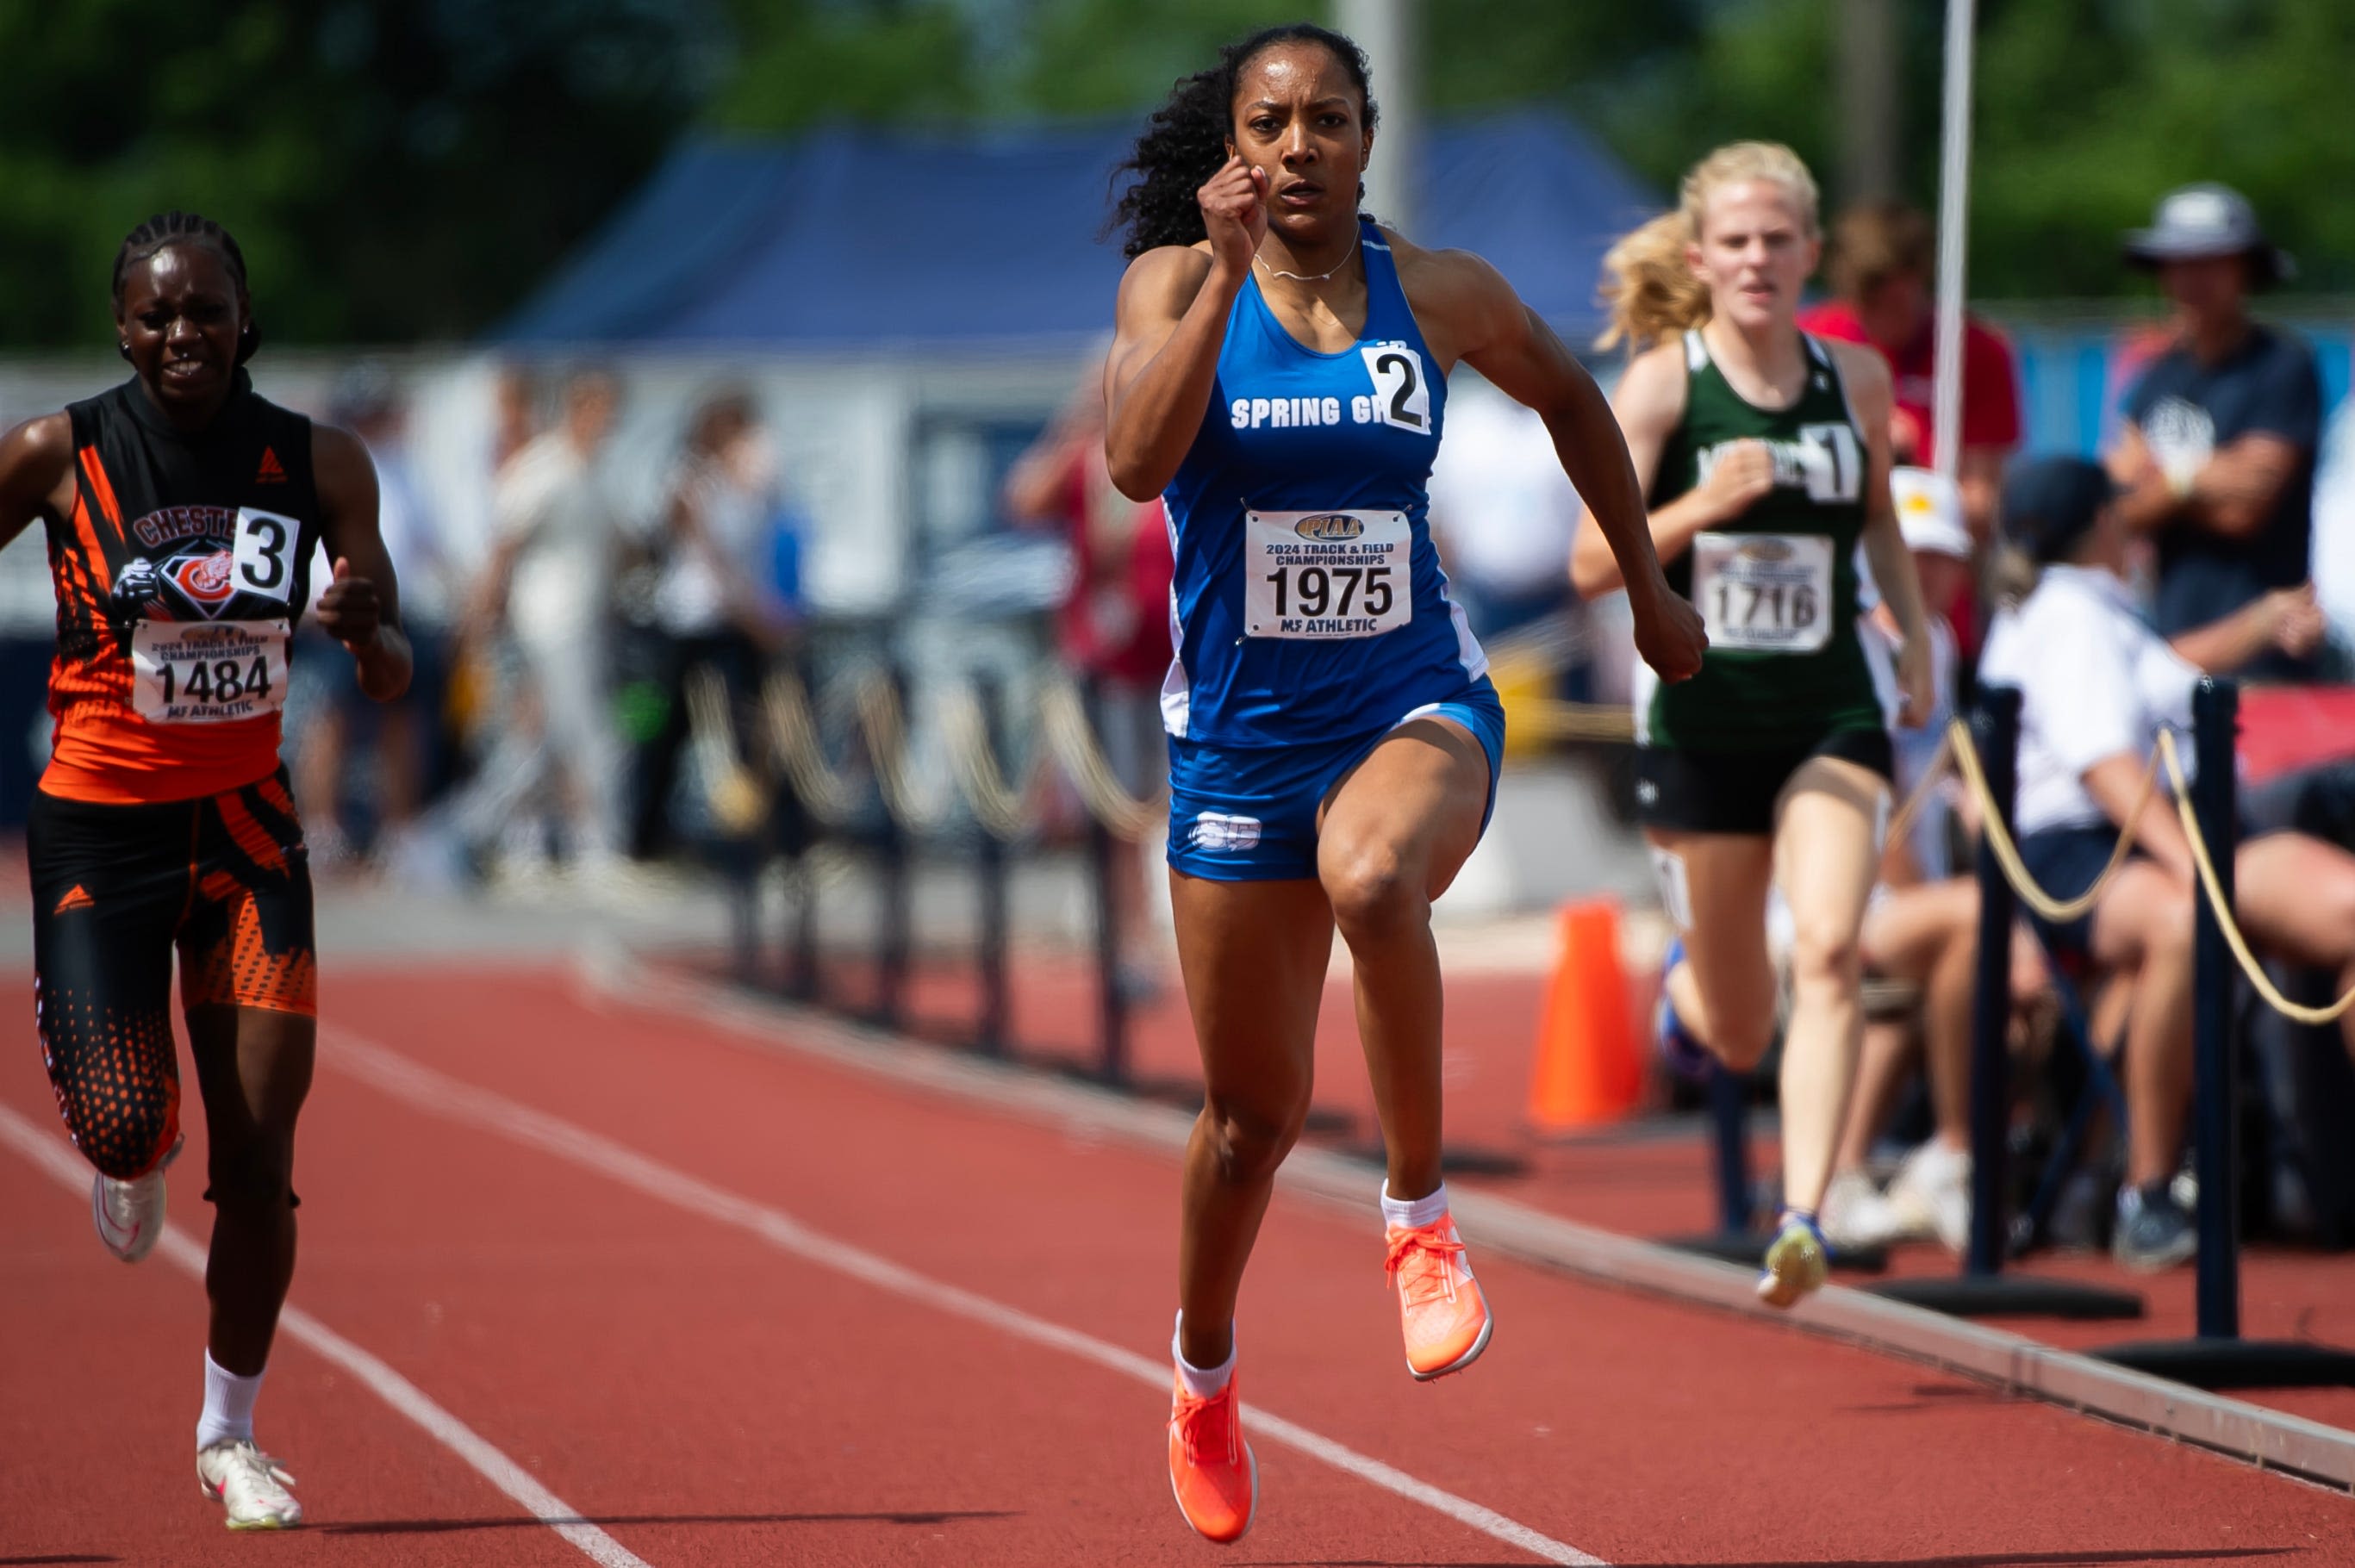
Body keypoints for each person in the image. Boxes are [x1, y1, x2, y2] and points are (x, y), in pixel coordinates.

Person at [1104, 22, 1704, 1543]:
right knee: (1248, 1119)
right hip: (1239, 741)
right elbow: (1129, 458)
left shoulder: (1432, 295)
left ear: (1366, 139)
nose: (1298, 145)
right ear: (1233, 147)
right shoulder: (1176, 285)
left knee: (1375, 878)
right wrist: (1226, 278)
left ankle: (1420, 1223)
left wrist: (1642, 587)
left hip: (1412, 700)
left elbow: (1572, 400)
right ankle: (1201, 1374)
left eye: (1326, 119)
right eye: (1270, 121)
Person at [0, 211, 411, 1528]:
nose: (183, 335)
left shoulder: (320, 463)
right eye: (156, 316)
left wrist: (364, 625)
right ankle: (128, 1154)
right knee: (132, 1125)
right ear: (122, 328)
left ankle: (229, 1437)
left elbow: (391, 658)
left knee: (261, 1149)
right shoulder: (60, 453)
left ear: (248, 321)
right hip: (98, 832)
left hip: (246, 837)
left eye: (207, 312)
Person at [1571, 142, 1934, 1307]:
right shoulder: (1666, 387)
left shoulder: (1857, 382)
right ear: (1700, 260)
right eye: (1735, 241)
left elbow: (1879, 519)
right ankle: (1690, 985)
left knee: (1830, 947)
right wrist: (1700, 503)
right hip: (1706, 720)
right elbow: (1590, 560)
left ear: (1810, 253)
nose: (1757, 259)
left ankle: (1804, 1215)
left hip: (1830, 706)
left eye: (1778, 239)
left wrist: (1914, 634)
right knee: (1737, 1030)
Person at [1980, 456, 2355, 1269]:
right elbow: (2103, 765)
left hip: (2187, 825)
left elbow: (2165, 672)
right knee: (2186, 927)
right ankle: (2146, 1193)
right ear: (2103, 526)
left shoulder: (2095, 609)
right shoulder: (2068, 616)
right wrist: (2191, 868)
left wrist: (2255, 628)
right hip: (2088, 848)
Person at [1004, 355, 1176, 992]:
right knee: (1123, 808)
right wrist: (1073, 422)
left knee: (1183, 804)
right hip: (1114, 667)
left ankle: (1174, 932)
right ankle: (1131, 943)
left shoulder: (1176, 453)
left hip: (1185, 664)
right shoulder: (1085, 460)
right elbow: (1021, 500)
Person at [2108, 184, 2326, 682]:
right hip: (2175, 643)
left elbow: (2244, 510)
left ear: (2244, 269)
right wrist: (2196, 479)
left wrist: (2161, 479)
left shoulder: (2280, 367)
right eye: (2178, 264)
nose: (2190, 280)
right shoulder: (2156, 377)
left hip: (2268, 649)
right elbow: (2118, 508)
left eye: (2208, 263)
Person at [1798, 200, 2022, 651]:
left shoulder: (1974, 351)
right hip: (1833, 599)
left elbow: (1981, 506)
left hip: (1936, 605)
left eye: (1891, 295)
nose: (1880, 314)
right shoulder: (1814, 340)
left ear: (1917, 276)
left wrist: (1911, 460)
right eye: (1866, 299)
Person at [464, 368, 628, 875]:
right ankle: (595, 843)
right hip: (547, 622)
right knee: (586, 735)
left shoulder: (590, 470)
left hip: (579, 620)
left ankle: (517, 840)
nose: (608, 423)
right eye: (599, 411)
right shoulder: (544, 468)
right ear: (577, 410)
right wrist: (483, 617)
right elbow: (504, 544)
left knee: (538, 738)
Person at [628, 389, 788, 860]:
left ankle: (751, 834)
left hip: (735, 624)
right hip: (692, 623)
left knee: (747, 730)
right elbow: (704, 553)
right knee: (667, 732)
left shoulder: (754, 485)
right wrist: (752, 613)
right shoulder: (691, 480)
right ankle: (646, 833)